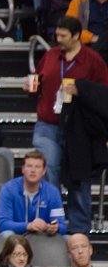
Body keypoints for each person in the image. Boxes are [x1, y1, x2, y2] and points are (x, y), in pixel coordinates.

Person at [25, 16, 108, 232]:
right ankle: (52, 223)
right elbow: (38, 82)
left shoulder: (93, 60)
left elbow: (103, 94)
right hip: (47, 125)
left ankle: (79, 231)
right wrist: (30, 88)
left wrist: (82, 90)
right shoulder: (50, 56)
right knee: (48, 168)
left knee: (79, 178)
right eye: (57, 35)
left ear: (77, 36)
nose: (58, 39)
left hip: (79, 130)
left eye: (63, 36)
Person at [0, 150, 66, 237]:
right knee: (7, 234)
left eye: (37, 167)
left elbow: (62, 226)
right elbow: (3, 224)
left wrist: (55, 228)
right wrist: (28, 226)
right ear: (23, 169)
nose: (33, 170)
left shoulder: (53, 192)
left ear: (44, 171)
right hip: (16, 237)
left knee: (72, 239)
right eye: (29, 166)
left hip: (44, 236)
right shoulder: (8, 189)